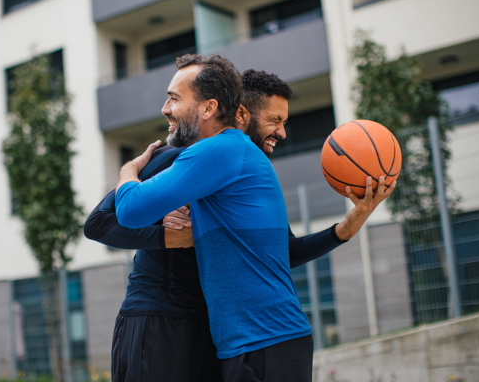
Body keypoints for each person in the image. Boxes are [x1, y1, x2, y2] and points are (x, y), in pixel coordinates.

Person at [85, 63, 394, 382]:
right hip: (165, 322)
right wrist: (163, 230)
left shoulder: (243, 164)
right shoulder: (184, 156)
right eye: (275, 120)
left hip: (236, 335)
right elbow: (103, 220)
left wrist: (342, 231)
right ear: (241, 113)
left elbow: (279, 254)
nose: (283, 132)